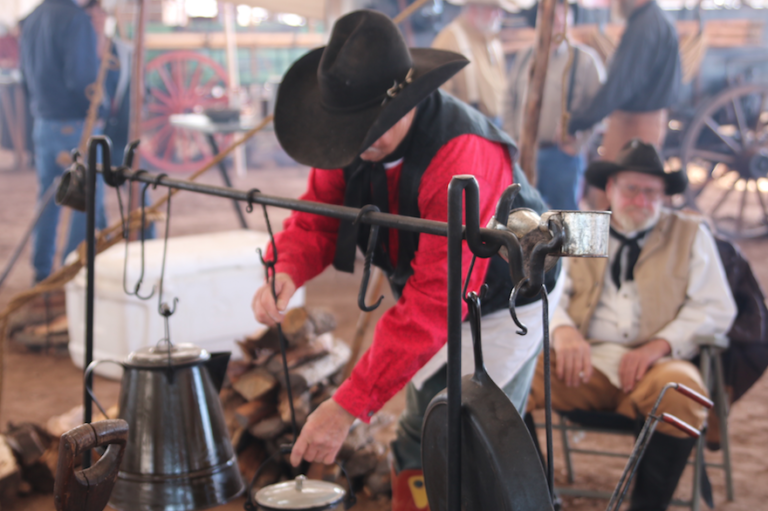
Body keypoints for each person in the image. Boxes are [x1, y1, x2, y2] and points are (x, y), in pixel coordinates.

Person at [251, 10, 560, 511]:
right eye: (352, 128)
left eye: (373, 125)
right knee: (425, 430)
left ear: (410, 98)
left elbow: (437, 300)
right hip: (436, 293)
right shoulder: (349, 141)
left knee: (471, 435)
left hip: (505, 298)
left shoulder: (461, 153)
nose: (361, 140)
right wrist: (283, 268)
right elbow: (317, 220)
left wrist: (348, 404)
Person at [526, 139, 737, 511]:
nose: (641, 199)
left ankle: (645, 507)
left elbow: (716, 307)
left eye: (652, 192)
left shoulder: (688, 234)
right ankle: (536, 497)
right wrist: (563, 330)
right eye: (632, 188)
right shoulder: (582, 229)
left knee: (685, 392)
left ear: (664, 196)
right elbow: (548, 289)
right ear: (610, 188)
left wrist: (661, 345)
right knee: (511, 377)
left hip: (655, 367)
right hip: (581, 364)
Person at [19, 0, 106, 283]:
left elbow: (25, 77)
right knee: (85, 200)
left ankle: (42, 272)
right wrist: (97, 111)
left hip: (44, 121)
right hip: (73, 122)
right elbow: (82, 77)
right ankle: (71, 274)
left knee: (49, 197)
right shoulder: (75, 19)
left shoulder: (32, 19)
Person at [567, 0, 681, 209]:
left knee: (621, 192)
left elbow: (620, 86)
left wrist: (578, 122)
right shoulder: (653, 21)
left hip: (635, 124)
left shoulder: (644, 27)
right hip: (643, 119)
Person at [505, 0, 605, 210]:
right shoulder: (525, 56)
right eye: (553, 19)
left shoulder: (585, 60)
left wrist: (578, 144)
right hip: (525, 153)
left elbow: (599, 112)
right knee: (523, 213)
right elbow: (510, 99)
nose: (558, 24)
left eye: (563, 19)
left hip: (562, 157)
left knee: (564, 217)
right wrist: (513, 140)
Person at [431, 0, 512, 124]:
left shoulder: (491, 37)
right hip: (468, 125)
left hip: (498, 122)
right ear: (474, 8)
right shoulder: (448, 41)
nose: (500, 15)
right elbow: (438, 98)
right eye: (493, 9)